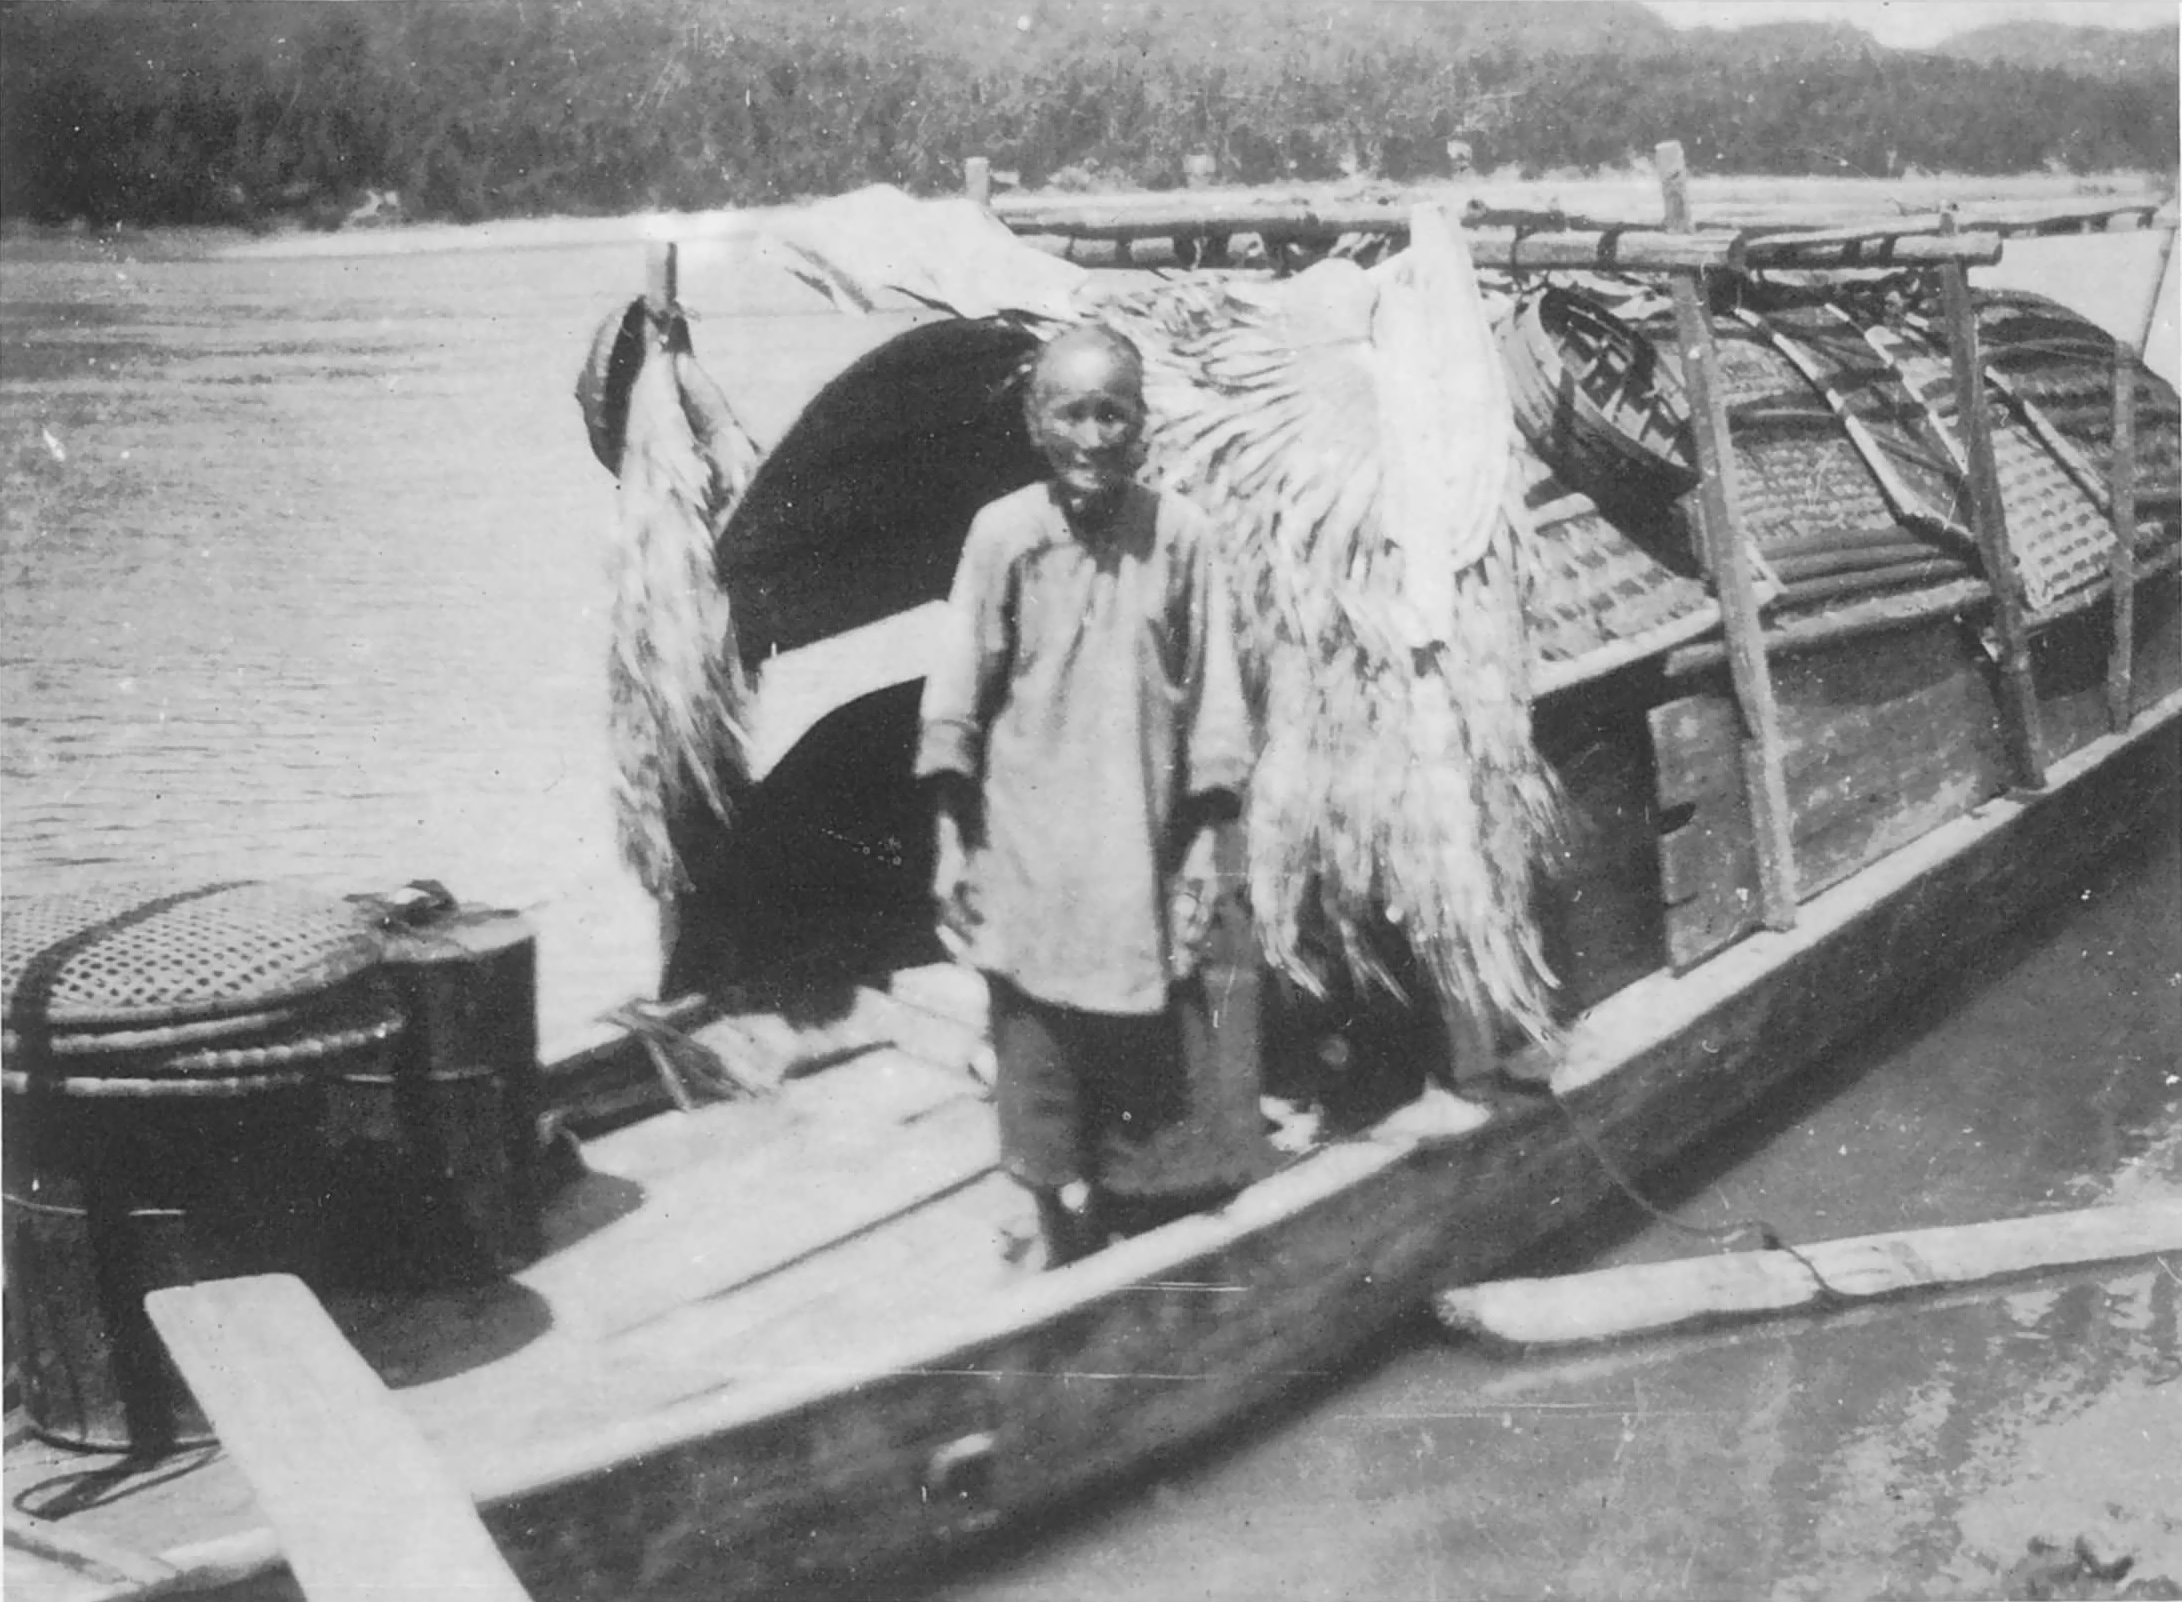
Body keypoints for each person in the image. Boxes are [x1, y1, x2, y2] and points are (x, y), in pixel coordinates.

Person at [915, 324, 1273, 1268]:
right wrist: (951, 841)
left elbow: (1219, 695)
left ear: (1141, 424)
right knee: (1033, 1036)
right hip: (1031, 841)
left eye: (1112, 414)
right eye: (1070, 414)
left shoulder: (1182, 535)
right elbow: (956, 691)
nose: (1092, 437)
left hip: (1139, 838)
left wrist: (1209, 840)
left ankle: (1136, 1213)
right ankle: (1050, 1216)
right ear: (1036, 423)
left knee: (1151, 1031)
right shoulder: (1004, 535)